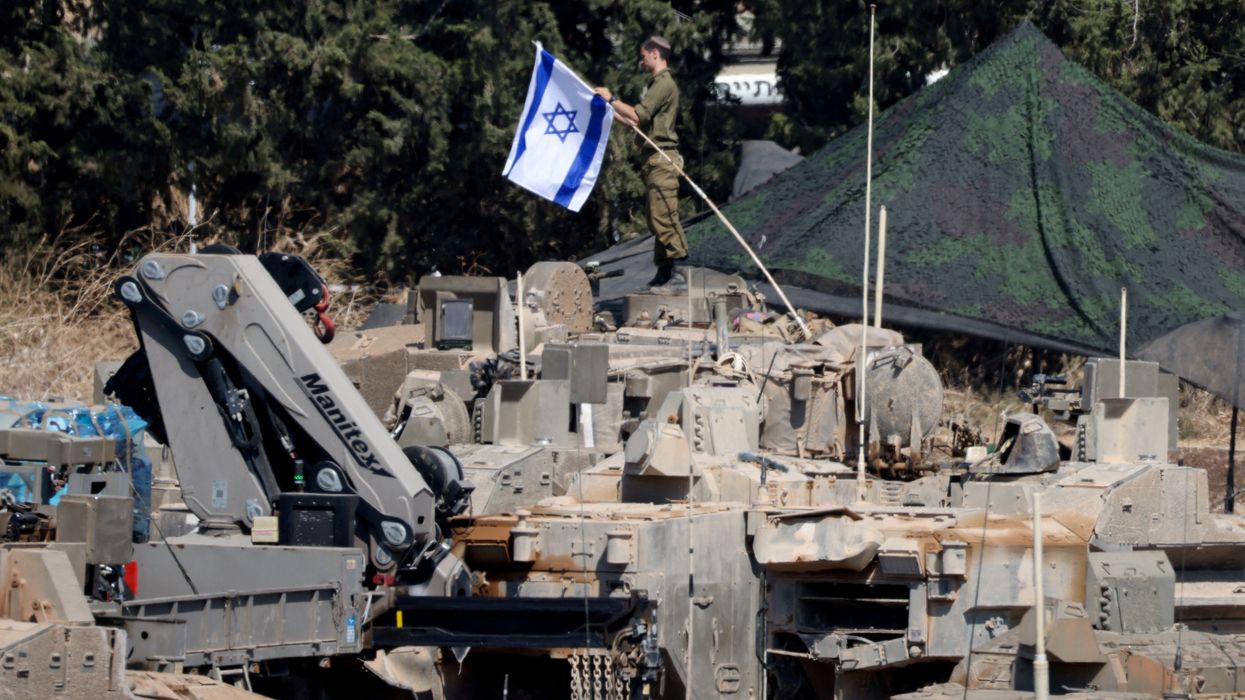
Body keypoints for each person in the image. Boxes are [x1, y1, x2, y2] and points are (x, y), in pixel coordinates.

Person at [594, 36, 686, 291]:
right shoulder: (657, 83)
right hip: (653, 161)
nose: (640, 60)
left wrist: (612, 99)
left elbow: (638, 114)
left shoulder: (664, 83)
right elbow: (637, 124)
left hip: (662, 159)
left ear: (655, 53)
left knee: (664, 216)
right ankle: (664, 270)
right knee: (655, 218)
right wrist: (609, 111)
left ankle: (679, 271)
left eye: (643, 55)